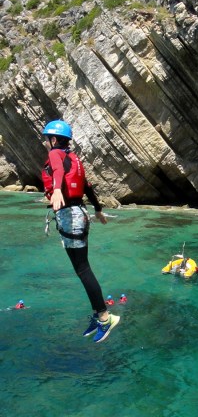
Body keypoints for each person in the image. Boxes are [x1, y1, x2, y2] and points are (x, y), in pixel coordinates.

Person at [42, 120, 120, 343]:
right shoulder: (73, 159)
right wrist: (98, 210)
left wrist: (56, 190)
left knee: (83, 270)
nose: (46, 143)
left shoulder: (57, 154)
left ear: (54, 140)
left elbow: (56, 170)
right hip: (80, 213)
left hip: (71, 216)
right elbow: (86, 186)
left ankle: (105, 318)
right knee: (82, 269)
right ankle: (99, 315)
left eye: (47, 139)